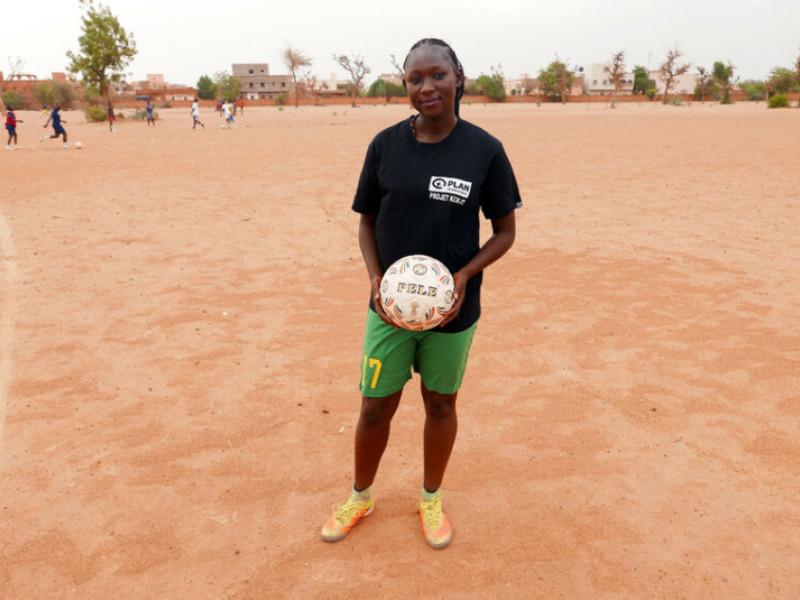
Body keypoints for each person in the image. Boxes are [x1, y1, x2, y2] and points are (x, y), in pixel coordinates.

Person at [320, 38, 521, 549]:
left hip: (452, 312)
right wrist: (374, 278)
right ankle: (360, 496)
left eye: (437, 75)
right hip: (388, 310)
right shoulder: (385, 146)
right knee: (373, 408)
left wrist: (462, 276)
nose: (426, 87)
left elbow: (504, 232)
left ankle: (430, 498)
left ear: (457, 76)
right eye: (415, 80)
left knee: (440, 405)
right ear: (405, 86)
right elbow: (367, 222)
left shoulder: (484, 151)